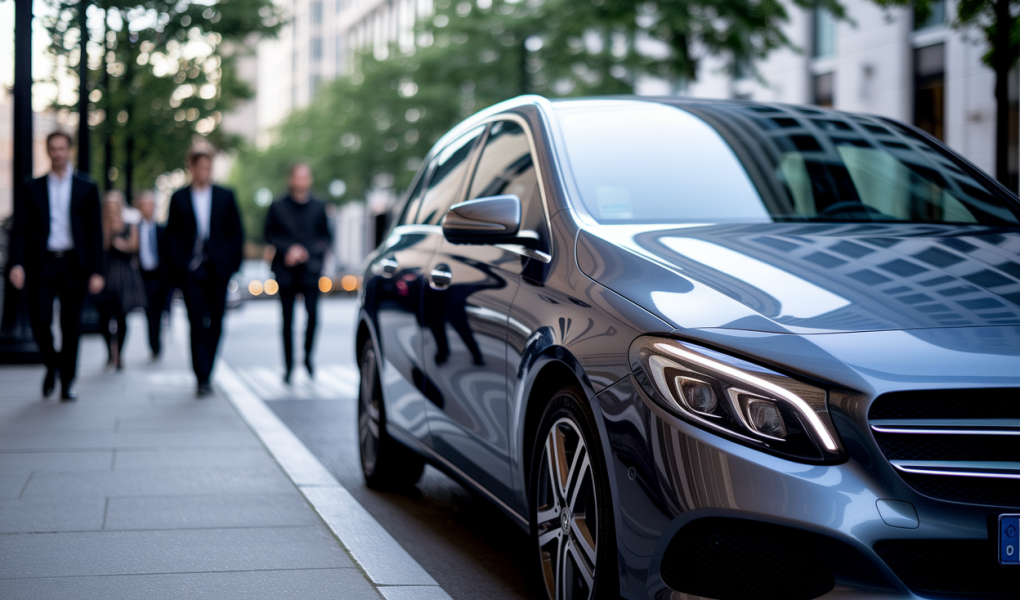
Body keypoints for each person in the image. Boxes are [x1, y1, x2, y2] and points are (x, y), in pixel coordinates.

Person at [8, 131, 104, 401]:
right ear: (48, 151)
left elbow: (96, 232)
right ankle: (53, 363)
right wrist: (16, 263)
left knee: (71, 324)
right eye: (53, 148)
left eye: (62, 148)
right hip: (43, 263)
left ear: (69, 150)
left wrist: (97, 270)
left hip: (74, 263)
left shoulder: (87, 187)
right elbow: (21, 229)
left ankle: (67, 382)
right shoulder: (32, 187)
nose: (58, 153)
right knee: (39, 320)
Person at [164, 149, 244, 397]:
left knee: (217, 322)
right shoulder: (179, 198)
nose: (204, 172)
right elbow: (171, 236)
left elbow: (236, 232)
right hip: (191, 272)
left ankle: (207, 369)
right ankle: (201, 376)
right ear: (192, 168)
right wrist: (179, 266)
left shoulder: (225, 196)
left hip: (218, 271)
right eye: (200, 168)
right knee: (196, 323)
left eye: (208, 168)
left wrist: (231, 266)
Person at [264, 163, 333, 383]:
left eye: (305, 177)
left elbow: (326, 238)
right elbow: (269, 234)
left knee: (313, 316)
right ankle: (288, 366)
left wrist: (307, 252)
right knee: (287, 320)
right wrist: (288, 250)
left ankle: (308, 358)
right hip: (286, 270)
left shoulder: (319, 206)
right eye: (298, 177)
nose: (302, 181)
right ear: (291, 179)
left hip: (311, 270)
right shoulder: (277, 206)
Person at [99, 191, 146, 370]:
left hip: (124, 277)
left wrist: (121, 244)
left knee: (121, 317)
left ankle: (120, 354)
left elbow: (135, 246)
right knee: (104, 319)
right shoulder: (101, 226)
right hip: (105, 275)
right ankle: (110, 351)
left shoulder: (129, 224)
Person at [136, 190, 168, 359]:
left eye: (150, 204)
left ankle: (157, 342)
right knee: (148, 311)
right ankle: (153, 344)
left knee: (159, 311)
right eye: (144, 204)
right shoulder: (134, 229)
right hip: (142, 276)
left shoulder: (162, 229)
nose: (148, 207)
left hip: (159, 276)